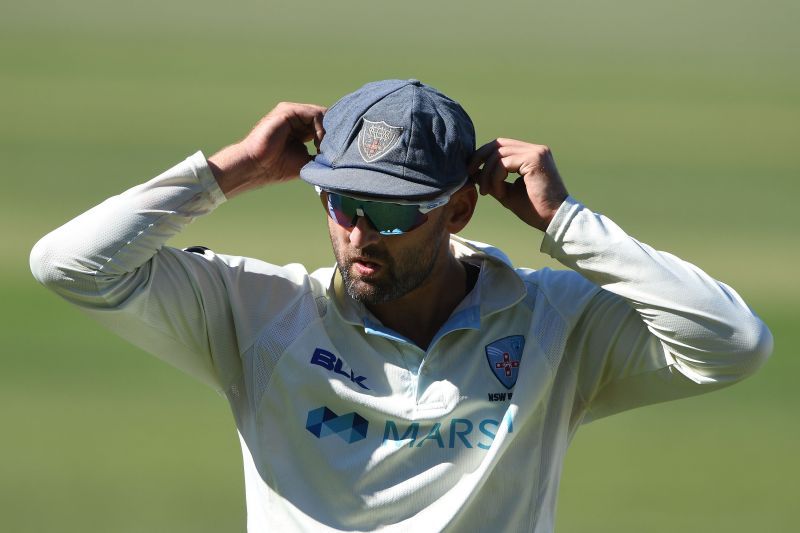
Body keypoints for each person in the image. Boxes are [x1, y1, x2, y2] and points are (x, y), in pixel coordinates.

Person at [30, 79, 772, 532]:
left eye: (388, 214)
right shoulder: (262, 312)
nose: (357, 235)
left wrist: (565, 224)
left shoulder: (553, 321)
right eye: (340, 203)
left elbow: (734, 342)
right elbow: (68, 264)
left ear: (457, 212)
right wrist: (236, 170)